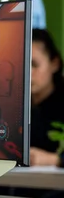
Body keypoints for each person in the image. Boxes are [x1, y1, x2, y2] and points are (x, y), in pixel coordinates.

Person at [29, 28, 64, 167]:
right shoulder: (14, 106)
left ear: (54, 64)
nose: (27, 73)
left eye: (34, 64)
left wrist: (55, 160)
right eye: (22, 65)